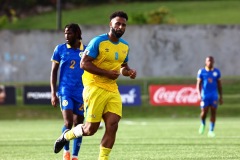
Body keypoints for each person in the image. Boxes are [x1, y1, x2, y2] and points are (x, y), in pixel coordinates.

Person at [53, 11, 137, 160]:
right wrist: (106, 73)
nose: (121, 27)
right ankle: (67, 135)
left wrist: (128, 72)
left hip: (112, 89)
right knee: (90, 129)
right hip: (94, 87)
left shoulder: (125, 46)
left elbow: (123, 67)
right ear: (110, 24)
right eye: (117, 23)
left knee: (113, 125)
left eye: (123, 24)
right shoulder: (98, 42)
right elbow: (84, 63)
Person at [50, 23, 86, 160]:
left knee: (79, 125)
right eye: (65, 33)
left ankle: (75, 156)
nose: (66, 36)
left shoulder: (87, 50)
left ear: (77, 34)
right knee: (68, 122)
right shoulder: (60, 49)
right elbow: (53, 72)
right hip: (65, 90)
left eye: (69, 33)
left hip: (82, 92)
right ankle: (66, 152)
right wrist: (53, 93)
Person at [196, 56, 223, 137]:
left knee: (213, 112)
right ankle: (203, 124)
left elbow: (219, 85)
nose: (210, 62)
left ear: (213, 62)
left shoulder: (217, 72)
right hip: (205, 95)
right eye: (208, 61)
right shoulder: (201, 71)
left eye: (211, 61)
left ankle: (211, 130)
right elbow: (198, 84)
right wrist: (198, 94)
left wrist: (221, 97)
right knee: (204, 112)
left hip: (214, 95)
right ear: (205, 62)